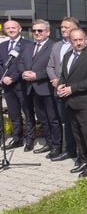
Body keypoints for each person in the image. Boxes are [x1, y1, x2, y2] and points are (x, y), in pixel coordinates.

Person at [58, 28, 87, 178]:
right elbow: (64, 75)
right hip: (70, 103)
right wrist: (60, 85)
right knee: (77, 134)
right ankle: (82, 160)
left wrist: (72, 89)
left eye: (80, 39)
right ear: (70, 41)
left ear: (85, 39)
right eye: (75, 40)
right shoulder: (67, 56)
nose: (78, 42)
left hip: (86, 103)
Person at [19, 19, 62, 159]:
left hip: (47, 88)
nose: (37, 33)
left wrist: (37, 75)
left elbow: (55, 68)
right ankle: (49, 143)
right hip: (32, 89)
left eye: (40, 30)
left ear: (48, 32)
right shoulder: (29, 47)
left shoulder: (54, 46)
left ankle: (57, 146)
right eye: (34, 30)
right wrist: (23, 72)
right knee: (43, 119)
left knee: (53, 119)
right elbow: (20, 62)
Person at [46, 17, 80, 161]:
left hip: (74, 90)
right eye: (62, 27)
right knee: (65, 121)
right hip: (58, 89)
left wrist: (67, 84)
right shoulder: (56, 45)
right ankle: (70, 150)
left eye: (66, 27)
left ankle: (82, 151)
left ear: (75, 28)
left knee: (77, 122)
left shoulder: (81, 44)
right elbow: (50, 65)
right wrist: (54, 79)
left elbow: (81, 68)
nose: (63, 29)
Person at [0, 20, 34, 151]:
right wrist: (2, 77)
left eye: (13, 27)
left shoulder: (28, 45)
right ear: (5, 30)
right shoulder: (2, 46)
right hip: (7, 86)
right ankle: (17, 139)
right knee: (14, 114)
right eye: (8, 28)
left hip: (22, 84)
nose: (11, 30)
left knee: (28, 113)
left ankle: (30, 139)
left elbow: (27, 64)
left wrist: (13, 78)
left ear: (20, 29)